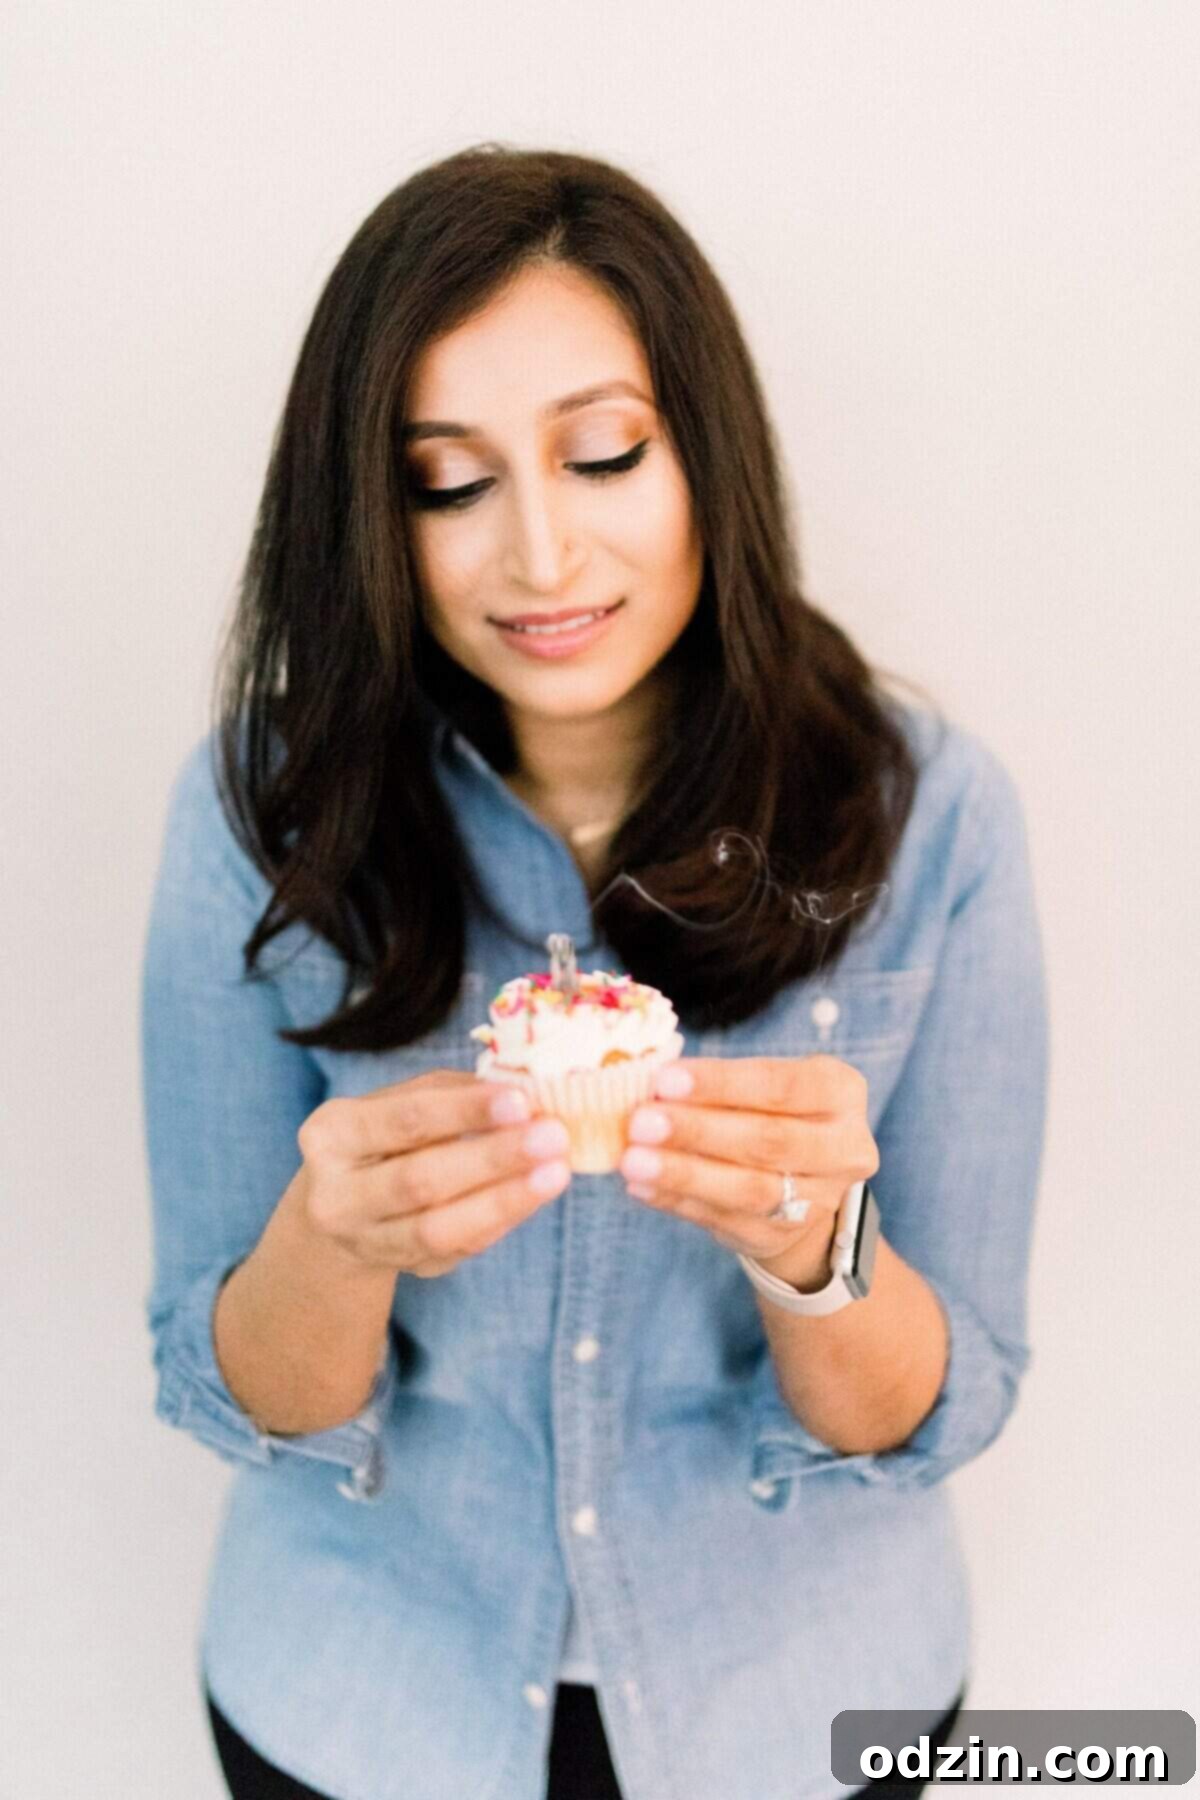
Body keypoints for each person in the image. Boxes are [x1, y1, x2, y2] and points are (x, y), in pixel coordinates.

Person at [141, 143, 1048, 1800]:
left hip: (806, 1716)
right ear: (371, 515)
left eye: (606, 455)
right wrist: (329, 1248)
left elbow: (939, 1403)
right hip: (362, 1710)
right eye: (448, 482)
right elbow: (236, 1397)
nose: (542, 558)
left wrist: (814, 1254)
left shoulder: (935, 820)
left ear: (705, 453)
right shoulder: (253, 814)